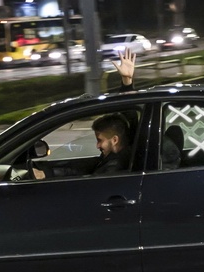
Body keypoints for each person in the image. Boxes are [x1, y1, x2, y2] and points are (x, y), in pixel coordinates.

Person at [32, 49, 137, 180]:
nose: (97, 146)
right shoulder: (118, 154)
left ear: (115, 140)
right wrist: (127, 81)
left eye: (100, 140)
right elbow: (130, 114)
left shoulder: (113, 168)